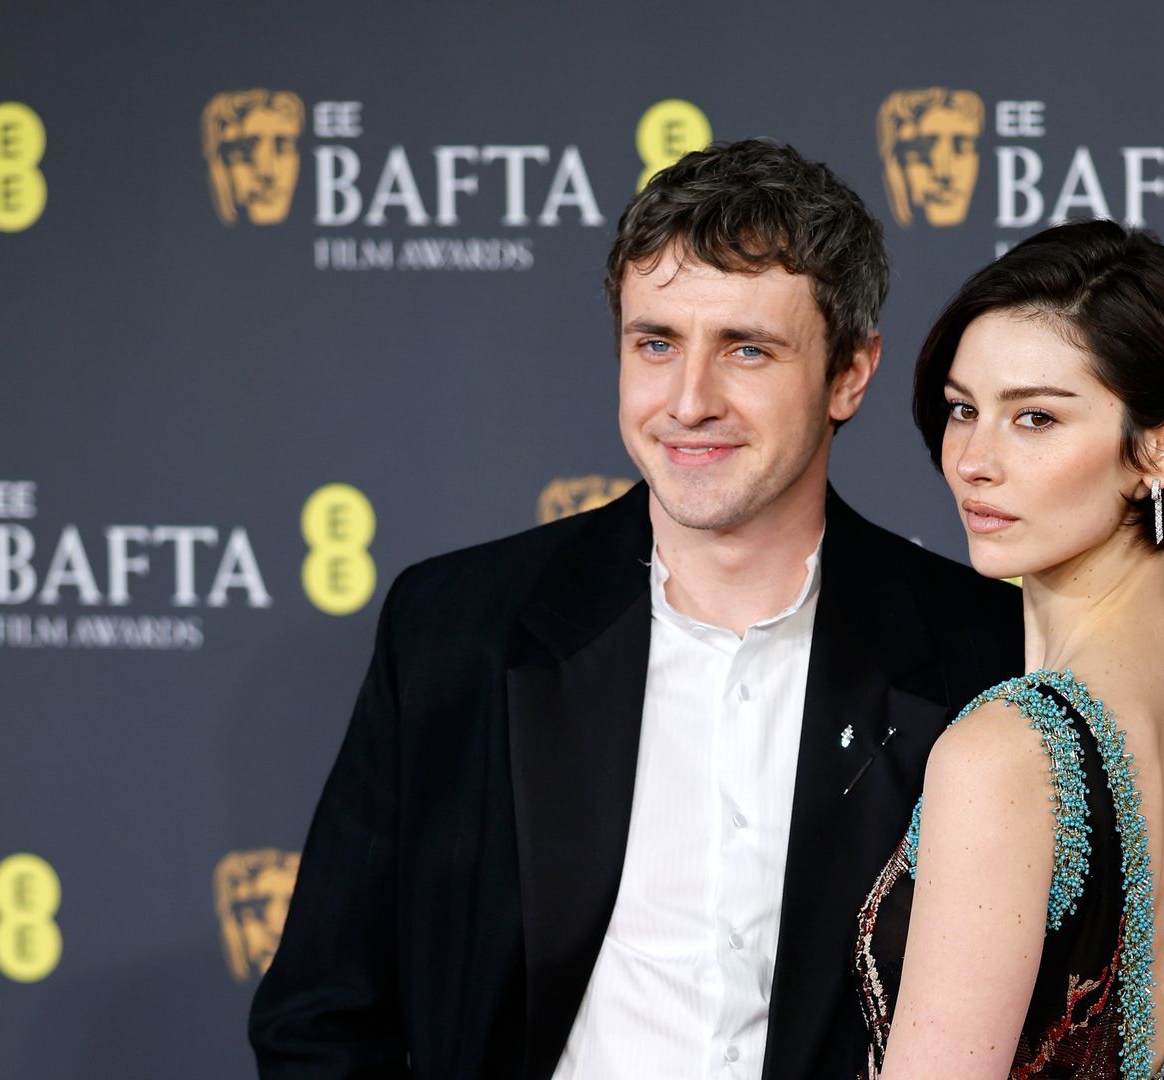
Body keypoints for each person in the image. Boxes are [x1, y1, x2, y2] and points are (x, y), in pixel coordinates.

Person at [248, 139, 1023, 1080]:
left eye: (746, 349)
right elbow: (322, 1018)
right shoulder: (458, 628)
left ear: (850, 375)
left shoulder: (983, 651)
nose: (688, 401)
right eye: (656, 344)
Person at [855, 219, 1164, 1079]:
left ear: (1162, 446)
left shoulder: (1007, 748)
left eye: (1036, 418)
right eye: (963, 409)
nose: (973, 460)